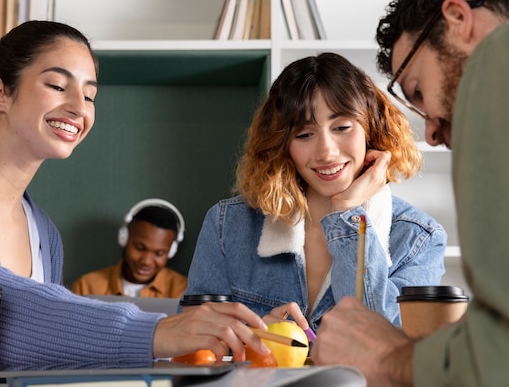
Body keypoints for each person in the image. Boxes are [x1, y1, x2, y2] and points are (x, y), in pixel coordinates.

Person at [0, 20, 273, 387]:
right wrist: (153, 331)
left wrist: (231, 338)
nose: (79, 106)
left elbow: (38, 355)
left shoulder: (44, 234)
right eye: (57, 85)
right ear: (0, 92)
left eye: (90, 95)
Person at [311, 0, 509, 386]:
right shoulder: (230, 222)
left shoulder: (498, 58)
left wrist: (391, 357)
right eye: (303, 132)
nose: (433, 133)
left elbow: (499, 356)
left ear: (458, 18)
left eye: (418, 90)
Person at [182, 52, 447, 333]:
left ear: (371, 128)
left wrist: (347, 212)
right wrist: (253, 338)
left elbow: (387, 347)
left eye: (342, 127)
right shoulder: (228, 226)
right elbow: (191, 346)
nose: (326, 152)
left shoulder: (419, 239)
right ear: (283, 145)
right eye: (304, 135)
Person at [72, 198, 188, 298]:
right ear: (124, 238)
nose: (146, 262)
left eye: (159, 253)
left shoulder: (184, 291)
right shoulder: (86, 287)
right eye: (140, 248)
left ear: (171, 251)